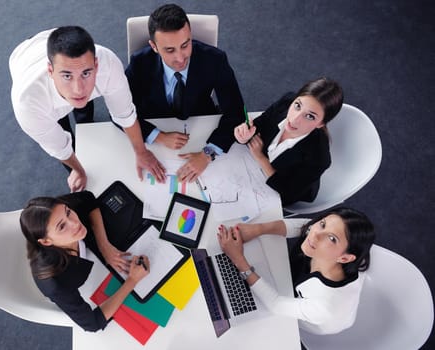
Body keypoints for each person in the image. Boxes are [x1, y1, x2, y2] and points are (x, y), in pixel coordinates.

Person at [10, 26, 166, 192]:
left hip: (54, 41)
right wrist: (79, 171)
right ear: (50, 71)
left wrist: (141, 152)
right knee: (62, 126)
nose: (79, 89)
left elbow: (125, 114)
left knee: (83, 107)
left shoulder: (108, 64)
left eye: (86, 73)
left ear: (97, 66)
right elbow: (59, 148)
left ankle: (84, 120)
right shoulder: (29, 104)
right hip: (24, 57)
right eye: (67, 76)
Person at [125, 4, 245, 182]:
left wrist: (207, 154)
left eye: (185, 45)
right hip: (154, 123)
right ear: (154, 46)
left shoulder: (215, 59)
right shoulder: (140, 63)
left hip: (201, 121)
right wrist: (157, 136)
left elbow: (236, 112)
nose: (180, 58)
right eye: (170, 50)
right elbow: (119, 111)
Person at [218, 207, 375, 335]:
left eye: (332, 238)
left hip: (310, 321)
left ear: (345, 259)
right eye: (323, 224)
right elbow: (307, 225)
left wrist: (238, 259)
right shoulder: (323, 242)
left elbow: (276, 305)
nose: (315, 235)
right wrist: (258, 229)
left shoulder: (325, 307)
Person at [20, 190, 150, 332]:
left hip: (96, 258)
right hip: (86, 286)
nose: (75, 223)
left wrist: (104, 245)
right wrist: (132, 280)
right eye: (62, 226)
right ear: (46, 241)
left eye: (68, 212)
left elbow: (87, 198)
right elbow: (92, 323)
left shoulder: (58, 210)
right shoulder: (55, 283)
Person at [234, 77, 344, 206]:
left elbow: (288, 193)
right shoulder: (286, 102)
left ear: (321, 124)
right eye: (297, 106)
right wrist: (243, 135)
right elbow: (259, 124)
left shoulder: (319, 158)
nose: (294, 119)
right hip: (250, 171)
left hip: (281, 189)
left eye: (310, 116)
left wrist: (261, 158)